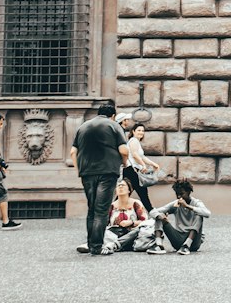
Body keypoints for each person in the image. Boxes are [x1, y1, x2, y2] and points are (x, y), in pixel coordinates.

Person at [69, 101, 130, 256]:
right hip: (107, 171)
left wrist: (79, 170)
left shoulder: (83, 126)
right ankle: (97, 246)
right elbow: (123, 150)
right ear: (113, 115)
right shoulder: (114, 125)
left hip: (87, 172)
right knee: (101, 210)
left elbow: (72, 152)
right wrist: (124, 163)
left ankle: (91, 243)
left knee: (92, 209)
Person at [148, 179, 211, 254]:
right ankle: (158, 245)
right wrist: (160, 216)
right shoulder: (175, 204)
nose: (179, 197)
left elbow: (207, 213)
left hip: (193, 242)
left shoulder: (196, 203)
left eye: (181, 194)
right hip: (178, 239)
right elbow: (154, 212)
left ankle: (186, 246)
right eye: (177, 194)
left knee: (199, 216)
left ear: (188, 192)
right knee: (158, 215)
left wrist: (187, 206)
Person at [121, 120, 162, 214]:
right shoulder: (133, 141)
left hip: (132, 170)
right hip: (132, 170)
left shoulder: (136, 142)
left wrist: (152, 164)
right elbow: (135, 155)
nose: (141, 132)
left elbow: (142, 157)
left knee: (125, 192)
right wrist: (143, 165)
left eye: (143, 131)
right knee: (141, 193)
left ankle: (112, 213)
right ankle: (153, 213)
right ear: (133, 132)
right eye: (139, 130)